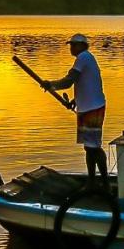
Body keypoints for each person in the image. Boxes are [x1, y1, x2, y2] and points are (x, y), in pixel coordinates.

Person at [44, 34, 109, 191]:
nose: (71, 48)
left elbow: (69, 80)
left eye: (73, 45)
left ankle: (102, 183)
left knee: (94, 147)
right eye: (70, 45)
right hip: (87, 107)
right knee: (89, 147)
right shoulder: (86, 58)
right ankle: (92, 182)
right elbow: (87, 83)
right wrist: (75, 100)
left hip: (92, 108)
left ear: (81, 45)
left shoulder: (84, 58)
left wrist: (50, 84)